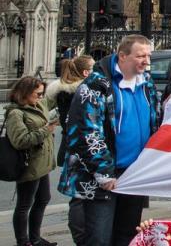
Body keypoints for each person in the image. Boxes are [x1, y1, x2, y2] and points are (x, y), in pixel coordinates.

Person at [60, 34, 160, 246]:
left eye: (148, 56)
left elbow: (156, 119)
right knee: (99, 238)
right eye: (140, 56)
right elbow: (86, 131)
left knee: (127, 236)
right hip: (103, 179)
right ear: (122, 56)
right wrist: (104, 172)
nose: (146, 61)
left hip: (133, 175)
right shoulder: (96, 85)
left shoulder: (147, 83)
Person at [6, 76, 58, 246]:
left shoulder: (38, 105)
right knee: (24, 205)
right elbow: (20, 140)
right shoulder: (16, 113)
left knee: (43, 199)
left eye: (42, 93)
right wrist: (46, 130)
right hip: (28, 165)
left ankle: (35, 238)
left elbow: (54, 99)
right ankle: (23, 241)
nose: (41, 97)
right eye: (38, 94)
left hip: (42, 164)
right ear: (25, 93)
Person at [45, 55, 94, 165]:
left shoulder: (62, 90)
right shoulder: (85, 92)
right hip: (82, 144)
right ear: (86, 73)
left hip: (67, 140)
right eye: (93, 68)